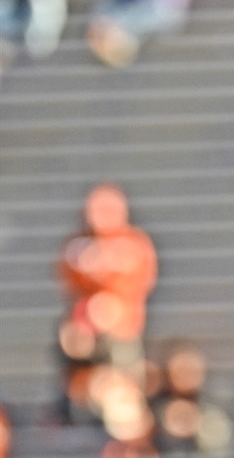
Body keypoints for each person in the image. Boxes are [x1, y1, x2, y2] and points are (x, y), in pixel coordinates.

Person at [54, 183, 159, 433]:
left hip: (122, 333)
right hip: (84, 335)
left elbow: (138, 283)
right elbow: (69, 282)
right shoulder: (77, 246)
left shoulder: (133, 245)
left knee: (122, 390)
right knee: (82, 389)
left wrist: (113, 311)